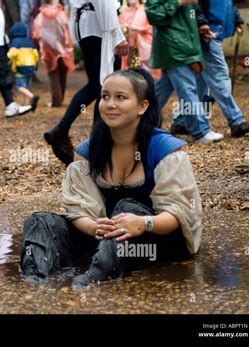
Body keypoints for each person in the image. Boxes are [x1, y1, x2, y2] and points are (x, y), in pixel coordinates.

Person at [20, 69, 202, 289]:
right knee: (39, 220)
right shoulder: (88, 152)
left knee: (127, 207)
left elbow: (178, 213)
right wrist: (93, 227)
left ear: (142, 107)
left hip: (155, 240)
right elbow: (78, 210)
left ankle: (95, 278)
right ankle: (33, 281)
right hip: (108, 239)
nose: (110, 104)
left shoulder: (166, 150)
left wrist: (143, 223)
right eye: (105, 96)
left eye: (121, 97)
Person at [43, 0, 128, 166]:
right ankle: (99, 148)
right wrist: (117, 34)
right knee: (107, 87)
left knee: (96, 86)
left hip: (86, 26)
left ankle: (62, 129)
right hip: (98, 27)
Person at [170, 0, 249, 138]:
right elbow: (194, 3)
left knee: (200, 82)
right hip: (207, 32)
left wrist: (236, 18)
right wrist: (201, 23)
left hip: (212, 31)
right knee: (219, 77)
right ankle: (236, 121)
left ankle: (181, 121)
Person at [145, 0, 224, 144]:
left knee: (160, 92)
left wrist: (201, 27)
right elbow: (153, 14)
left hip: (182, 46)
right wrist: (178, 2)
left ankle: (138, 123)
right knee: (188, 89)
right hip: (174, 47)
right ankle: (200, 131)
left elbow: (188, 15)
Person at [32, 0, 75, 107]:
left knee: (53, 74)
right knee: (62, 73)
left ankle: (56, 100)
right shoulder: (61, 15)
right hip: (62, 48)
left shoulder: (40, 16)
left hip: (48, 49)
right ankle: (61, 98)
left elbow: (36, 33)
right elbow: (68, 30)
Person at [118, 0, 160, 80]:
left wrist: (137, 28)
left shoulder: (144, 9)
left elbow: (152, 26)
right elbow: (120, 26)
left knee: (147, 74)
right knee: (133, 74)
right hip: (130, 47)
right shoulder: (125, 12)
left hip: (144, 46)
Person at [7, 22, 40, 111]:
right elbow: (36, 54)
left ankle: (32, 97)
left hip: (20, 68)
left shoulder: (15, 42)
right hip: (30, 68)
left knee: (20, 86)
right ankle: (27, 105)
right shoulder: (29, 42)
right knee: (26, 87)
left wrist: (7, 59)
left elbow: (12, 54)